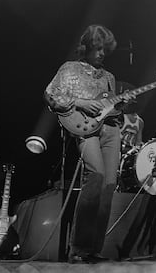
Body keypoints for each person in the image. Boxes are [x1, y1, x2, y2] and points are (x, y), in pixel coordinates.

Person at [44, 24, 135, 263]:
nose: (102, 53)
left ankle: (93, 250)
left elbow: (110, 110)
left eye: (105, 49)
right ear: (86, 47)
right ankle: (79, 249)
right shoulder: (70, 69)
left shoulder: (109, 77)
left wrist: (121, 105)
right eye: (97, 48)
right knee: (95, 176)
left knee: (109, 184)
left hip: (111, 130)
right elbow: (51, 94)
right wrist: (81, 103)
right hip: (85, 131)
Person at [115, 81, 144, 192]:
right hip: (117, 149)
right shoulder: (120, 117)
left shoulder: (140, 121)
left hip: (128, 153)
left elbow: (138, 142)